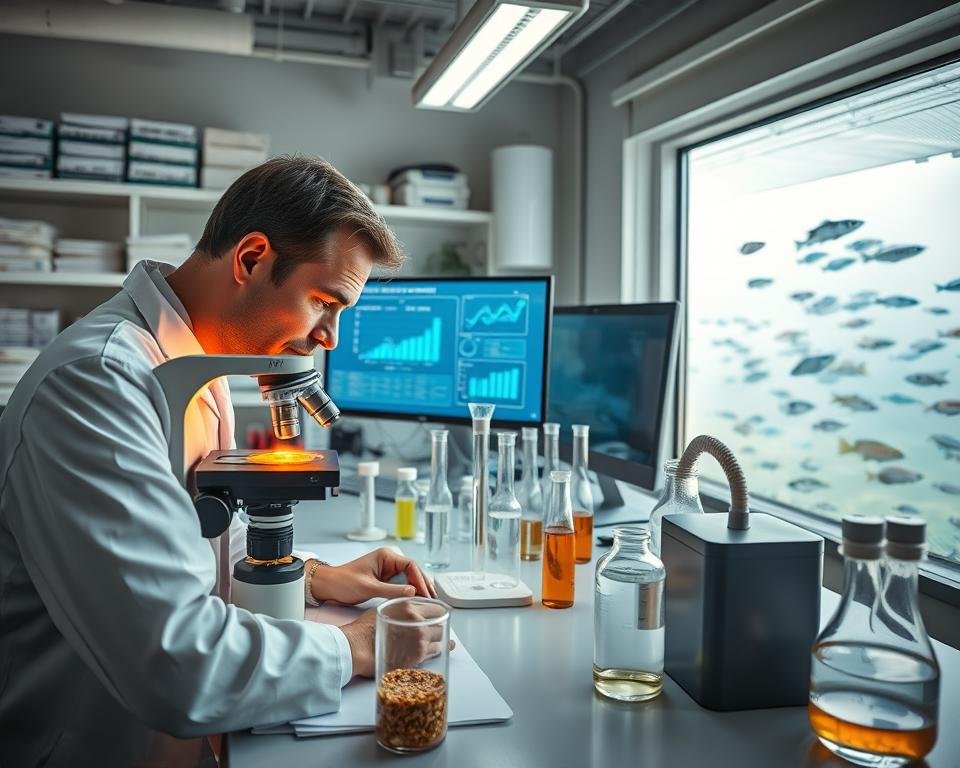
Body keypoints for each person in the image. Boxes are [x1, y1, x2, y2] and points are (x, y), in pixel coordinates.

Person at [0, 156, 443, 767]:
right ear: (252, 258)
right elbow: (175, 662)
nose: (331, 337)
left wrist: (308, 574)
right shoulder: (98, 384)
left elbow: (186, 539)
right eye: (323, 302)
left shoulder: (190, 359)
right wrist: (356, 647)